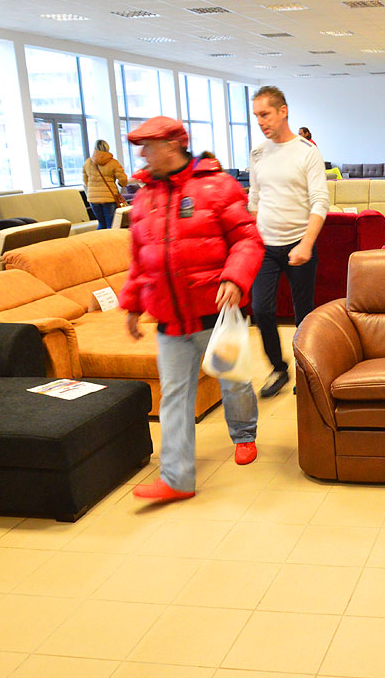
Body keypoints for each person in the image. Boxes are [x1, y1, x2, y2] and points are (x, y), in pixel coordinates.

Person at [120, 116, 264, 502]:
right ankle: (177, 479)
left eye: (149, 146)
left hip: (216, 314)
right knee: (173, 397)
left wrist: (235, 278)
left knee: (234, 382)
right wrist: (132, 304)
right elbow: (140, 258)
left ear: (172, 145)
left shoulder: (218, 186)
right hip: (169, 320)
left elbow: (247, 239)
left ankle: (244, 435)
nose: (142, 154)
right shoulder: (144, 198)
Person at [249, 86, 329, 397]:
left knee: (304, 315)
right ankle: (278, 368)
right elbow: (254, 199)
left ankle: (306, 372)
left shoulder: (307, 152)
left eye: (265, 114)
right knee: (261, 309)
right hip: (266, 247)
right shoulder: (258, 153)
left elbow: (320, 201)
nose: (260, 121)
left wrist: (306, 244)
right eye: (256, 116)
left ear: (283, 111)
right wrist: (252, 238)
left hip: (299, 243)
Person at [82, 139, 128, 229]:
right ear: (107, 147)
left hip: (93, 198)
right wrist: (121, 184)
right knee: (111, 224)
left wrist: (93, 189)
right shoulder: (113, 163)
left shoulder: (88, 162)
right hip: (109, 198)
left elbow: (85, 180)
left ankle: (99, 238)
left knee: (101, 223)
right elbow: (123, 179)